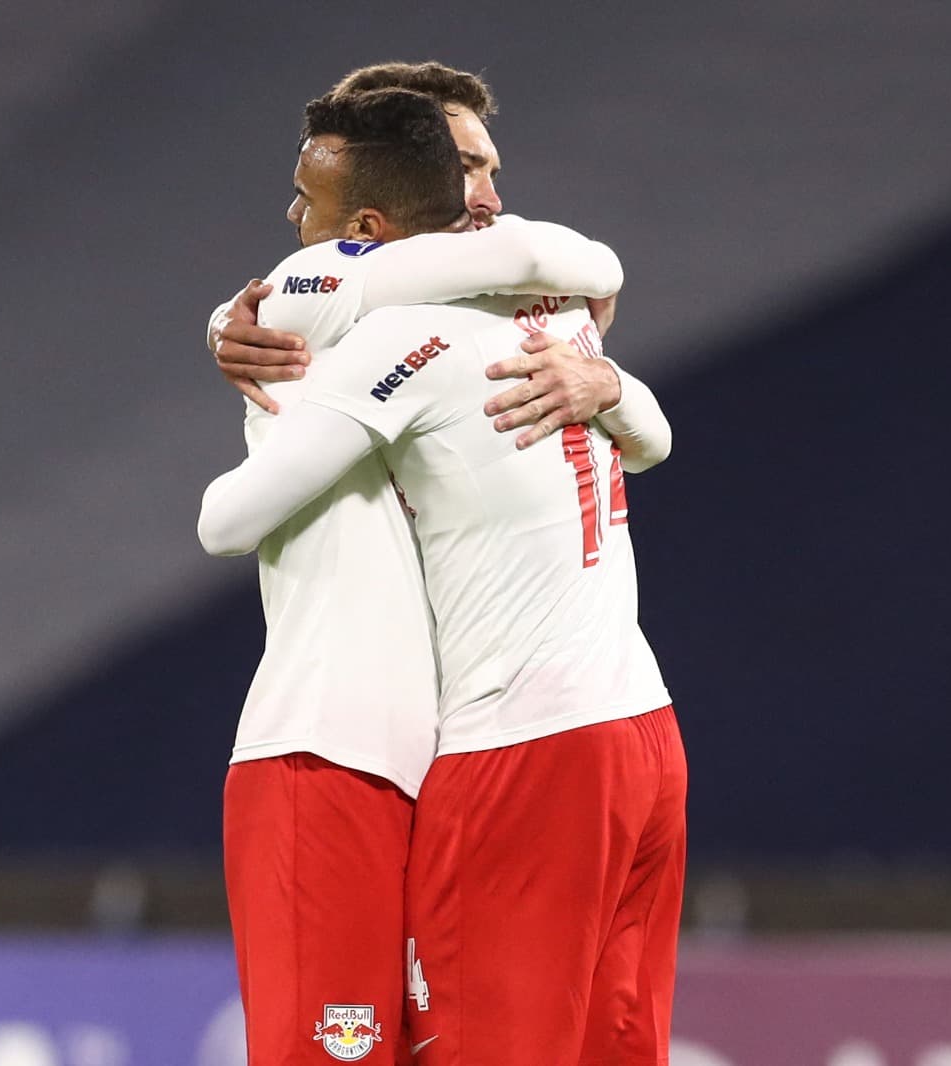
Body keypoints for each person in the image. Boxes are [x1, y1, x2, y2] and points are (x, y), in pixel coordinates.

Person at [200, 86, 682, 1066]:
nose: (489, 196)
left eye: (494, 168)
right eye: (471, 169)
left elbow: (227, 518)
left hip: (522, 740)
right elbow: (629, 380)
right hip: (639, 728)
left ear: (365, 225)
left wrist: (261, 369)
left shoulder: (396, 335)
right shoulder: (554, 316)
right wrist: (617, 384)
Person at [210, 61, 624, 447]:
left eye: (490, 174)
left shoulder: (512, 284)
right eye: (462, 169)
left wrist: (608, 383)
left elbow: (648, 446)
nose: (492, 202)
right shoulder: (299, 313)